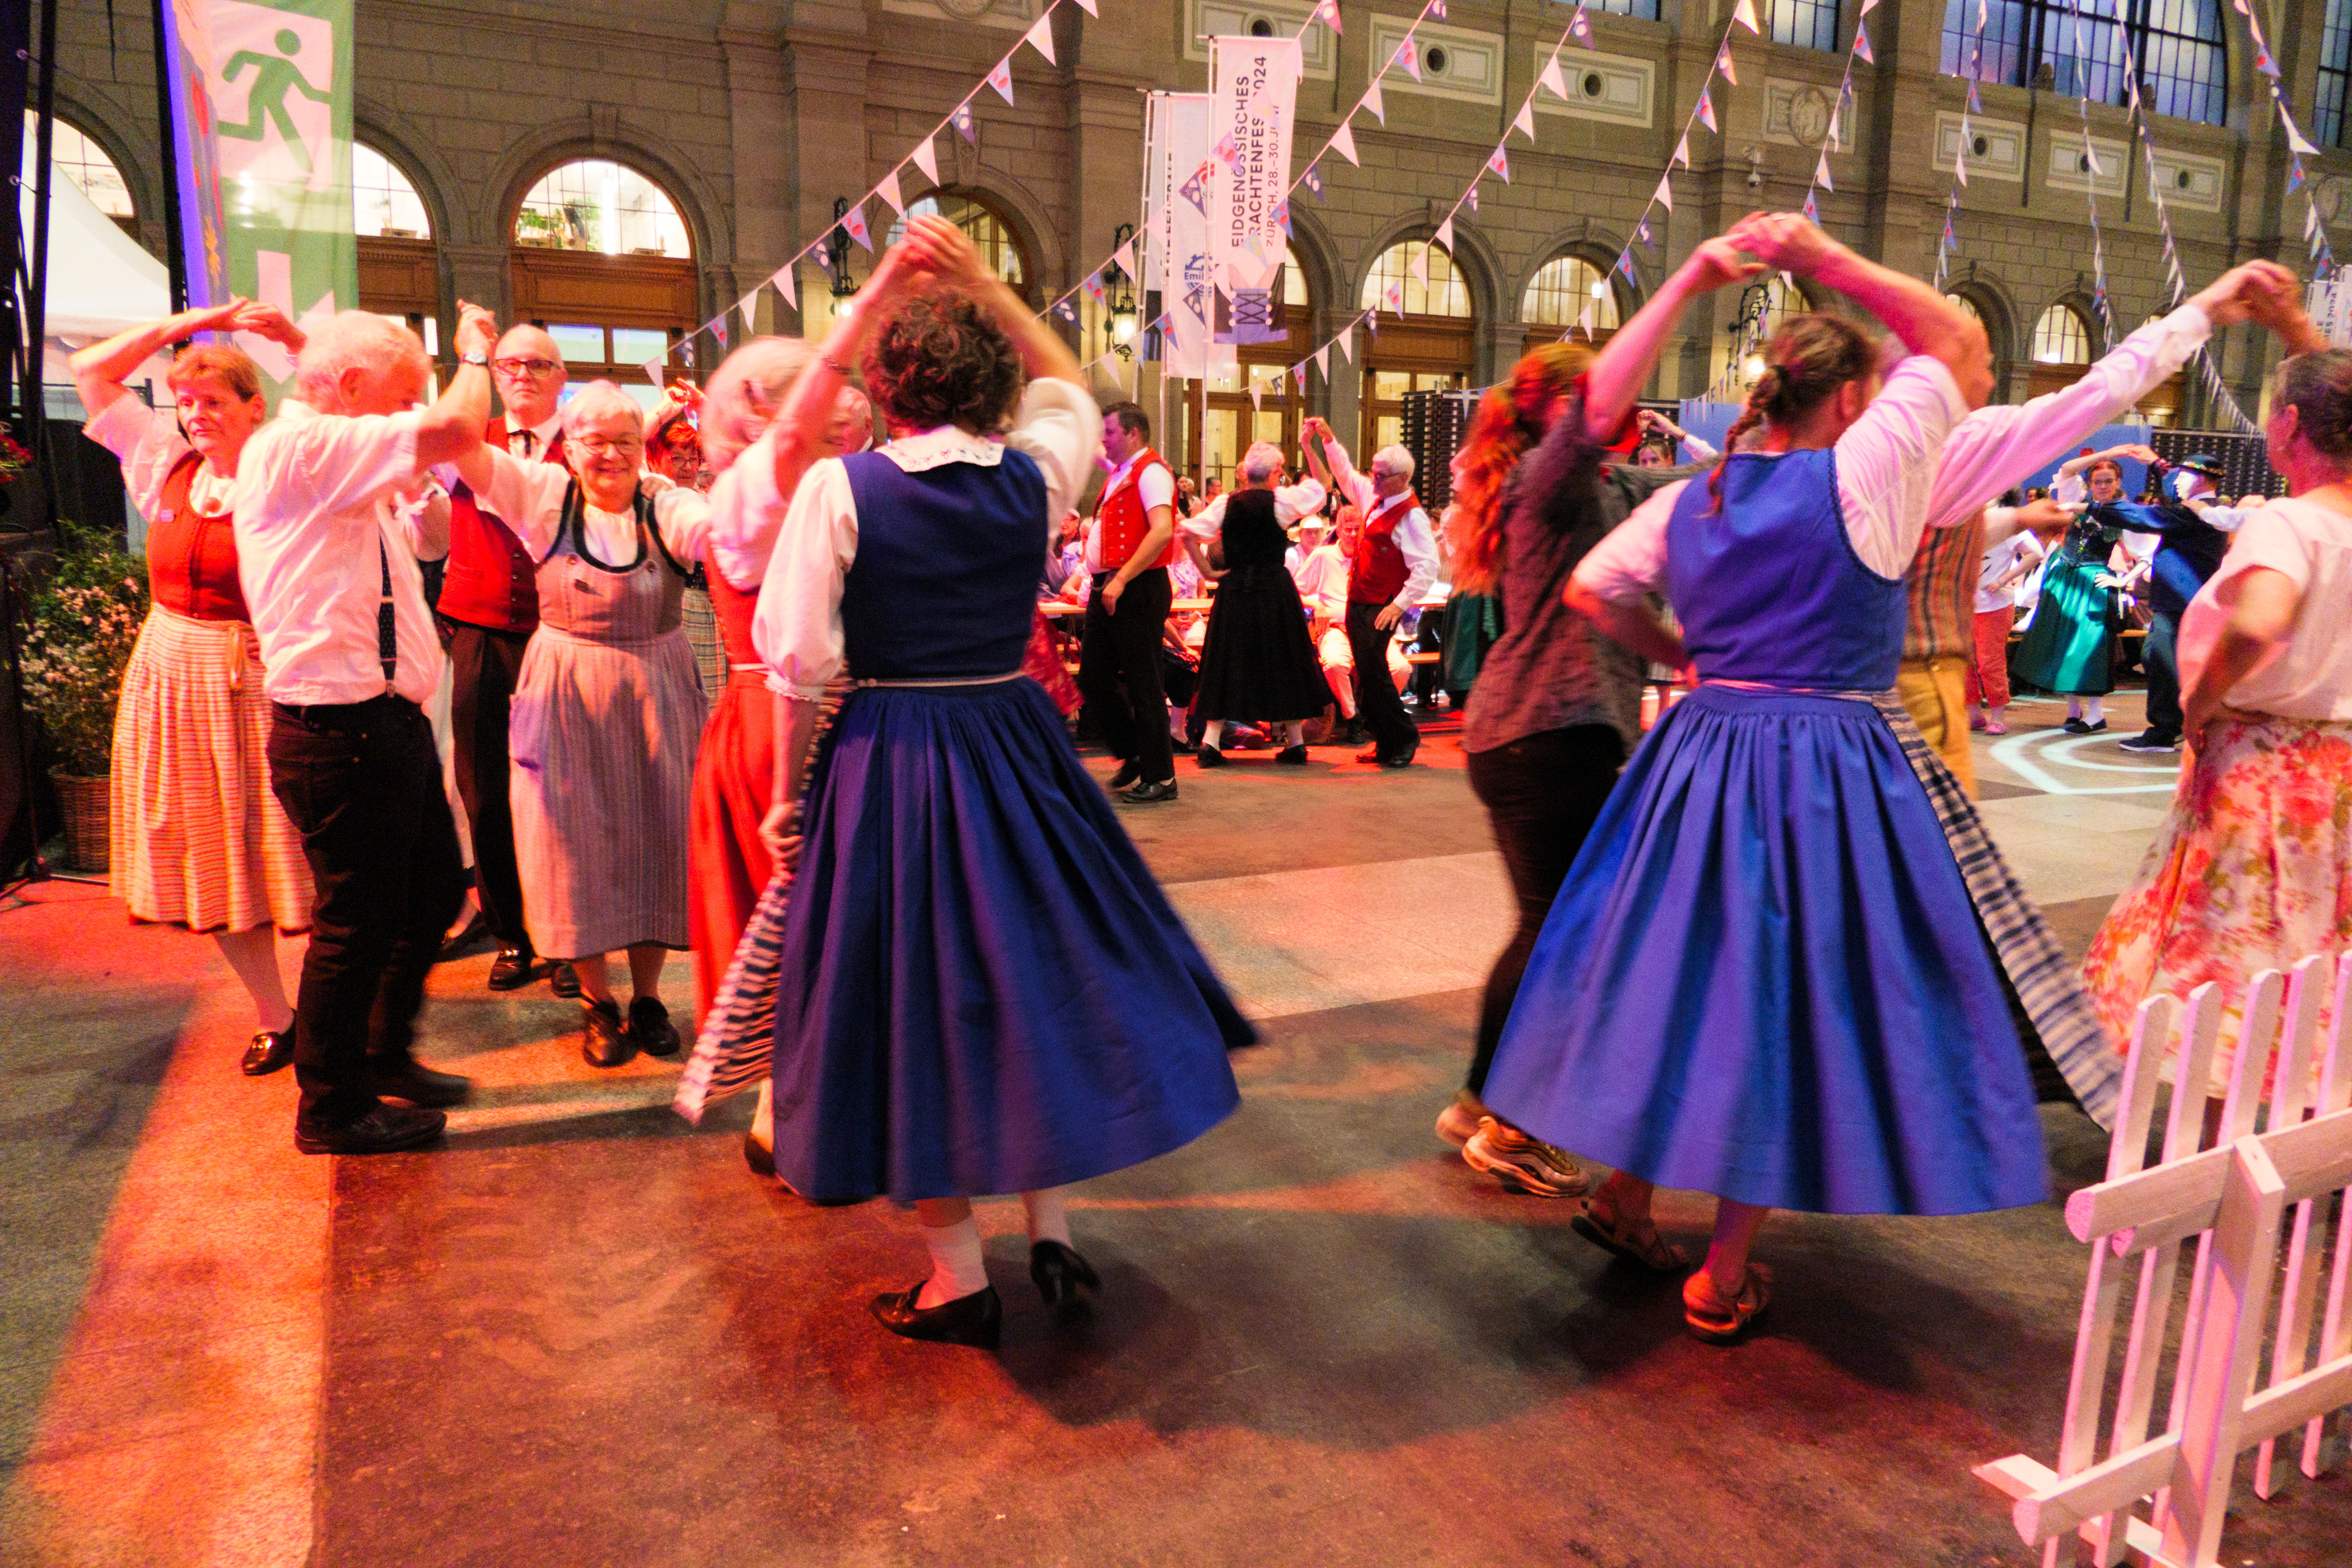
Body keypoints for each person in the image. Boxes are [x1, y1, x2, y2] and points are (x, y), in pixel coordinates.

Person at [1485, 214, 2111, 1343]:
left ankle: (1628, 1188)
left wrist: (1685, 658)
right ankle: (1721, 1272)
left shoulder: (1700, 494)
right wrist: (1823, 256)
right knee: (1791, 1008)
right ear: (1851, 399)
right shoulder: (1864, 474)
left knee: (1686, 984)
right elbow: (1954, 339)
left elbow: (1592, 589)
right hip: (1823, 769)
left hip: (1699, 759)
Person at [750, 216, 1249, 1350]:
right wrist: (990, 285)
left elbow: (794, 663)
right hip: (1021, 752)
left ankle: (955, 1274)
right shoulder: (1034, 475)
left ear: (886, 388)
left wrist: (789, 798)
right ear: (994, 391)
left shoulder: (844, 489)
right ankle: (1054, 1230)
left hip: (895, 755)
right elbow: (1071, 381)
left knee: (914, 1005)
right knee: (1036, 980)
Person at [1439, 242, 1754, 1202]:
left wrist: (1745, 447)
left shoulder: (1604, 488)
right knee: (1564, 932)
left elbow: (1686, 497)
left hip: (1532, 735)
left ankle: (1480, 1104)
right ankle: (1510, 1125)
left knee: (1551, 925)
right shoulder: (1552, 480)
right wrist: (1686, 286)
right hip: (1552, 733)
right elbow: (1601, 443)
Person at [232, 306, 497, 1155]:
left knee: (427, 897)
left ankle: (383, 1056)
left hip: (383, 723)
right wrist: (475, 356)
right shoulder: (299, 448)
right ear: (349, 390)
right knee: (355, 923)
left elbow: (432, 536)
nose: (410, 414)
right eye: (401, 396)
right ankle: (333, 1105)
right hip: (341, 729)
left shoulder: (334, 457)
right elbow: (460, 425)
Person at [2083, 312, 2352, 1102]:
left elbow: (2262, 620)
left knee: (2237, 937)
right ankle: (2311, 1097)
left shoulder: (2291, 522)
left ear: (2291, 424)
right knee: (2319, 930)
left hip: (2264, 769)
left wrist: (2203, 701)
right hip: (2339, 774)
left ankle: (2234, 1123)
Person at [72, 299, 315, 1075]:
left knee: (298, 848)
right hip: (175, 678)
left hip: (267, 677)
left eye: (215, 402)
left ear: (256, 407)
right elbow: (89, 370)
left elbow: (352, 402)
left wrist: (289, 338)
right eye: (187, 402)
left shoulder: (286, 473)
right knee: (211, 850)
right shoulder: (163, 465)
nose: (198, 416)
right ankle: (277, 1014)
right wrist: (192, 324)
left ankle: (337, 1007)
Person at [455, 379, 711, 1066]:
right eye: (594, 441)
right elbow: (461, 447)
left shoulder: (667, 502)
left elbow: (713, 534)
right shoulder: (542, 495)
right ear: (569, 448)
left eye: (625, 440)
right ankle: (599, 1003)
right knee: (576, 848)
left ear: (642, 447)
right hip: (568, 687)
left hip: (656, 686)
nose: (610, 454)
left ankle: (651, 997)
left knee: (660, 837)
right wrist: (475, 362)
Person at [440, 324, 576, 996]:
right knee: (486, 792)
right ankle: (513, 936)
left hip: (566, 635)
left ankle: (572, 937)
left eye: (538, 364)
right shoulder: (467, 437)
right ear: (492, 373)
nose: (522, 373)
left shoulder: (589, 439)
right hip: (480, 632)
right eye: (510, 363)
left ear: (561, 375)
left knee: (566, 792)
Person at [2085, 452, 2246, 755]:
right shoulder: (2205, 510)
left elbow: (2147, 517)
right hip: (2182, 601)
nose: (2178, 482)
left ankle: (2163, 731)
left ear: (2201, 479)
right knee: (2161, 660)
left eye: (2184, 476)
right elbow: (2166, 510)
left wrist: (2095, 506)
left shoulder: (2198, 513)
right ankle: (2176, 725)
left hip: (2180, 602)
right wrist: (2158, 470)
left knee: (2163, 663)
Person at [1181, 440, 1329, 766]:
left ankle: (1210, 743)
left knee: (1226, 662)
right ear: (1275, 473)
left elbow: (1186, 533)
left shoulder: (1225, 504)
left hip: (1235, 591)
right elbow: (1323, 487)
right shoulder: (1283, 502)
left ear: (1246, 472)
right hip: (1275, 592)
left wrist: (1208, 571)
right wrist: (1310, 445)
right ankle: (1295, 743)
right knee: (1285, 660)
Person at [1305, 426, 1439, 766]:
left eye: (1381, 475)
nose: (1374, 479)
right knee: (1366, 673)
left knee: (1377, 674)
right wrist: (1330, 441)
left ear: (1403, 477)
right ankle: (1385, 741)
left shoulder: (1412, 517)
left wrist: (1398, 605)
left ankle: (1403, 738)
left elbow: (1427, 567)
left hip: (1380, 605)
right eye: (1373, 473)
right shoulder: (1374, 498)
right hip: (1359, 602)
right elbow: (1346, 475)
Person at [1081, 402, 1181, 803]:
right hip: (1106, 585)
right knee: (1092, 677)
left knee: (1145, 684)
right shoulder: (1124, 471)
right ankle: (1135, 752)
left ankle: (1163, 776)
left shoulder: (1153, 472)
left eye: (1109, 432)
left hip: (1135, 586)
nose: (1104, 439)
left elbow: (1162, 531)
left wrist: (1121, 579)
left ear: (1132, 434)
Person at [2014, 445, 2145, 732]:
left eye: (2109, 481)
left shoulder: (2127, 514)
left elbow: (2147, 554)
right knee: (2060, 645)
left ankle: (2096, 714)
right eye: (2098, 481)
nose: (2102, 486)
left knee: (2089, 648)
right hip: (2062, 579)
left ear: (2119, 483)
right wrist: (2107, 455)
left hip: (2093, 581)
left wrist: (2122, 580)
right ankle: (2074, 710)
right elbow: (2067, 470)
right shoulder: (2077, 498)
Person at [1967, 512, 2048, 735]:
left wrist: (2003, 579)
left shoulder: (2005, 525)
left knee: (1990, 663)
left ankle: (1998, 717)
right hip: (1963, 605)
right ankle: (1974, 715)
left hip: (1994, 605)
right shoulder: (1961, 521)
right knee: (1963, 661)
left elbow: (2036, 553)